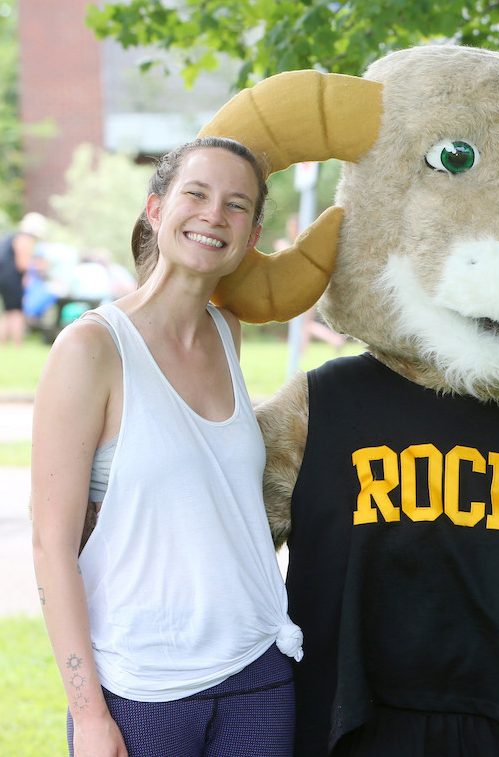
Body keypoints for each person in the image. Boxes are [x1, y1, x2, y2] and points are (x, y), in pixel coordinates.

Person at [31, 137, 303, 757]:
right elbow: (50, 545)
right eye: (197, 194)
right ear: (156, 209)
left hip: (258, 669)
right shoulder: (91, 349)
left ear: (252, 235)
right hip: (141, 685)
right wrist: (89, 716)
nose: (214, 215)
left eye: (236, 205)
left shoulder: (226, 332)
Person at [0, 211, 47, 344]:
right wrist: (38, 266)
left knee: (8, 311)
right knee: (17, 311)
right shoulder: (25, 239)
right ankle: (17, 343)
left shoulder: (13, 236)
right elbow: (22, 264)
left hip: (5, 278)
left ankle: (4, 342)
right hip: (12, 279)